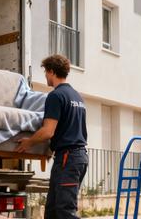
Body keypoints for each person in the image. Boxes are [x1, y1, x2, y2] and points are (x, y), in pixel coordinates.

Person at [15, 54, 88, 219]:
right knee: (52, 211)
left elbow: (48, 131)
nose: (46, 76)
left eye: (46, 72)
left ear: (52, 71)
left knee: (64, 211)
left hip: (68, 158)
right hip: (75, 157)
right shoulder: (77, 97)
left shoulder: (56, 96)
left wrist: (29, 142)